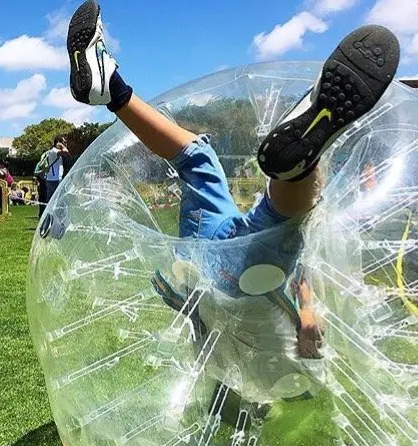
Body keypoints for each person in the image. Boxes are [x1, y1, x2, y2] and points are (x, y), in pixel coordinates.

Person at [65, 1, 399, 408]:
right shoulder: (274, 372)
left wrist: (308, 309)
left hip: (225, 277)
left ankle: (113, 89)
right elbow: (300, 343)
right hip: (208, 265)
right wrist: (308, 310)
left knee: (278, 212)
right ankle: (112, 91)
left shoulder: (259, 369)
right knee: (214, 174)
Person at [45, 135, 69, 208]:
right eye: (64, 142)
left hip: (53, 179)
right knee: (60, 202)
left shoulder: (54, 151)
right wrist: (62, 146)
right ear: (59, 143)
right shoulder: (53, 151)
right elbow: (66, 152)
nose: (66, 144)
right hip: (54, 180)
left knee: (52, 202)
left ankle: (49, 218)